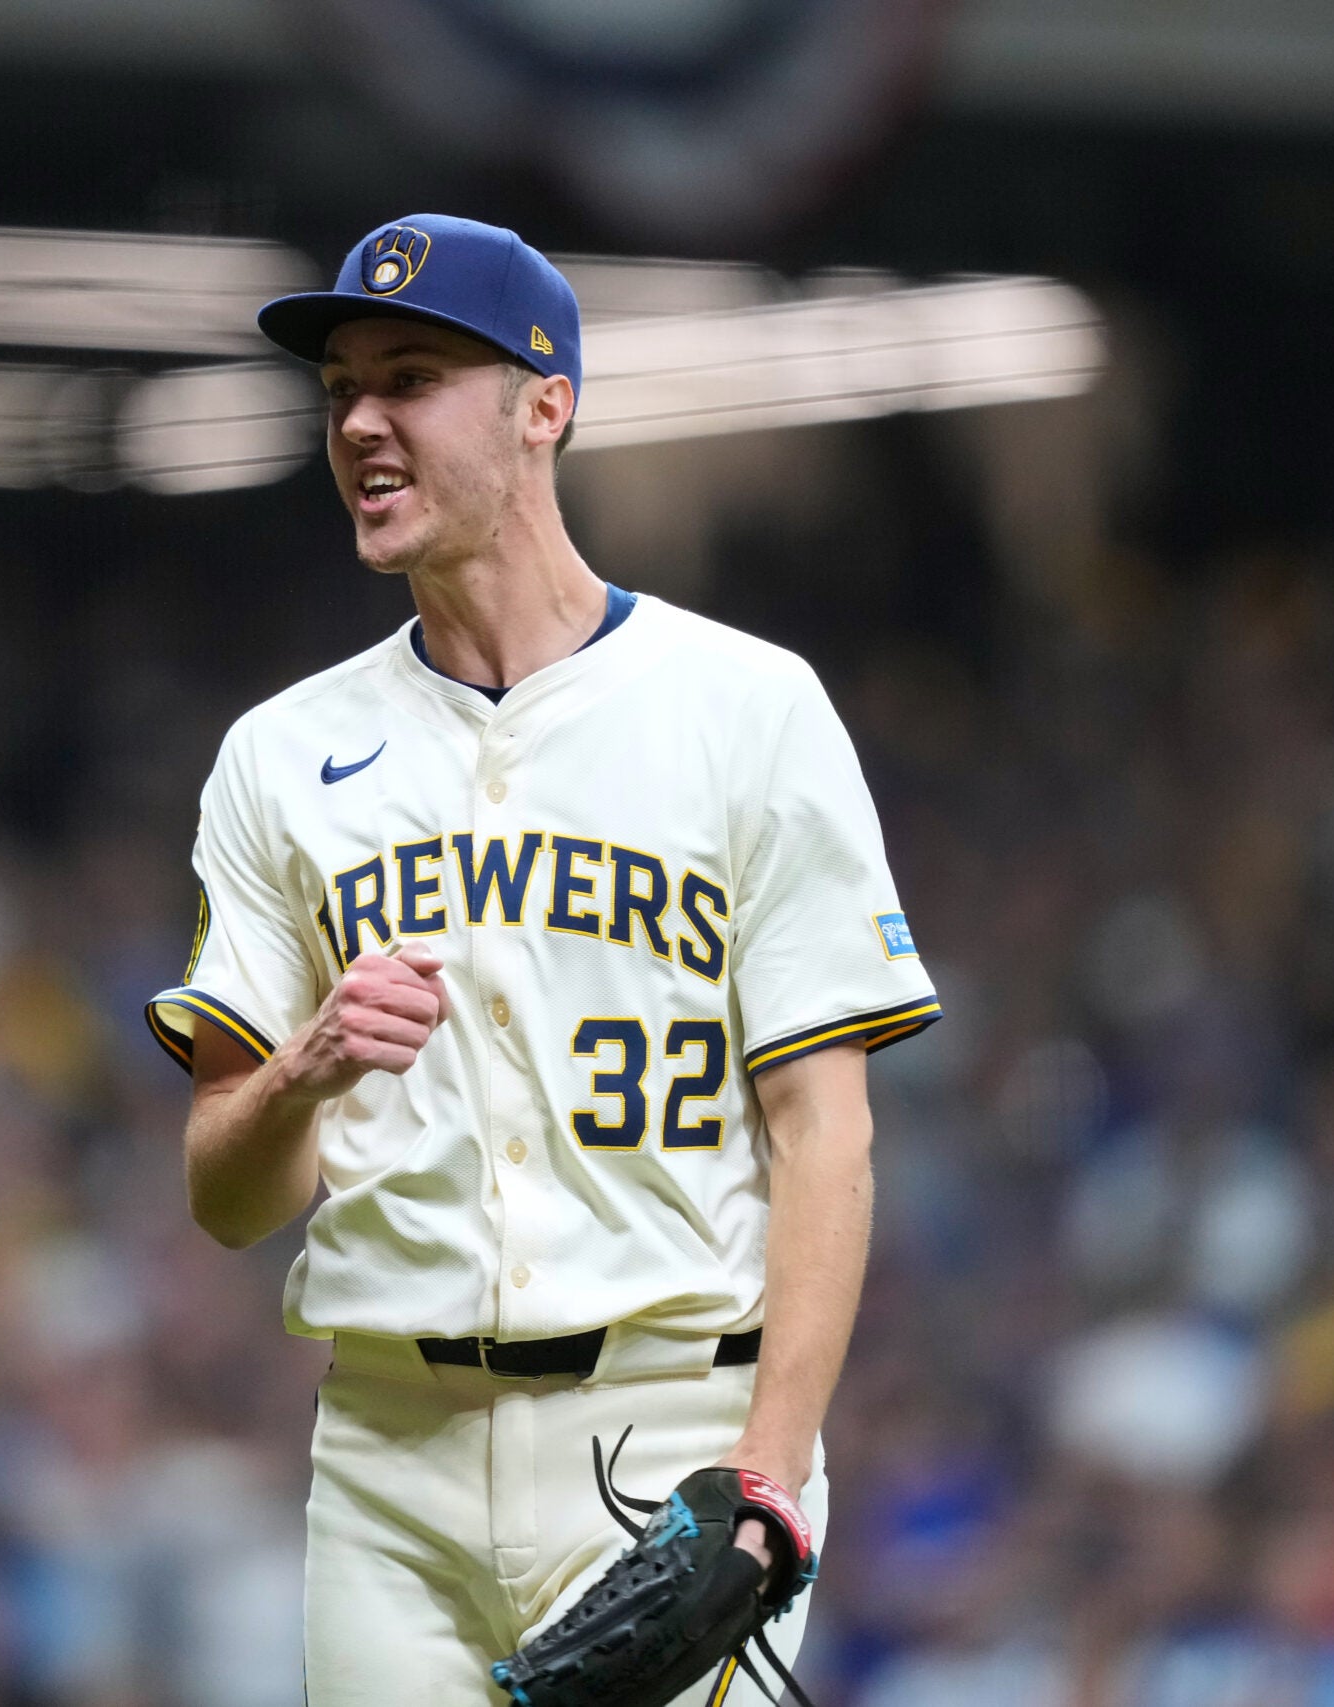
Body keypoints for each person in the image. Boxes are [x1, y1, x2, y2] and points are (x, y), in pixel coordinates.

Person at [144, 215, 938, 1705]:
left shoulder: (747, 709)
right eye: (339, 392)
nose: (362, 421)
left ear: (543, 405)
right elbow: (224, 1197)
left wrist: (768, 1470)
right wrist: (304, 1070)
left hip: (665, 1437)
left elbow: (825, 1128)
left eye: (412, 376)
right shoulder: (278, 757)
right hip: (386, 1460)